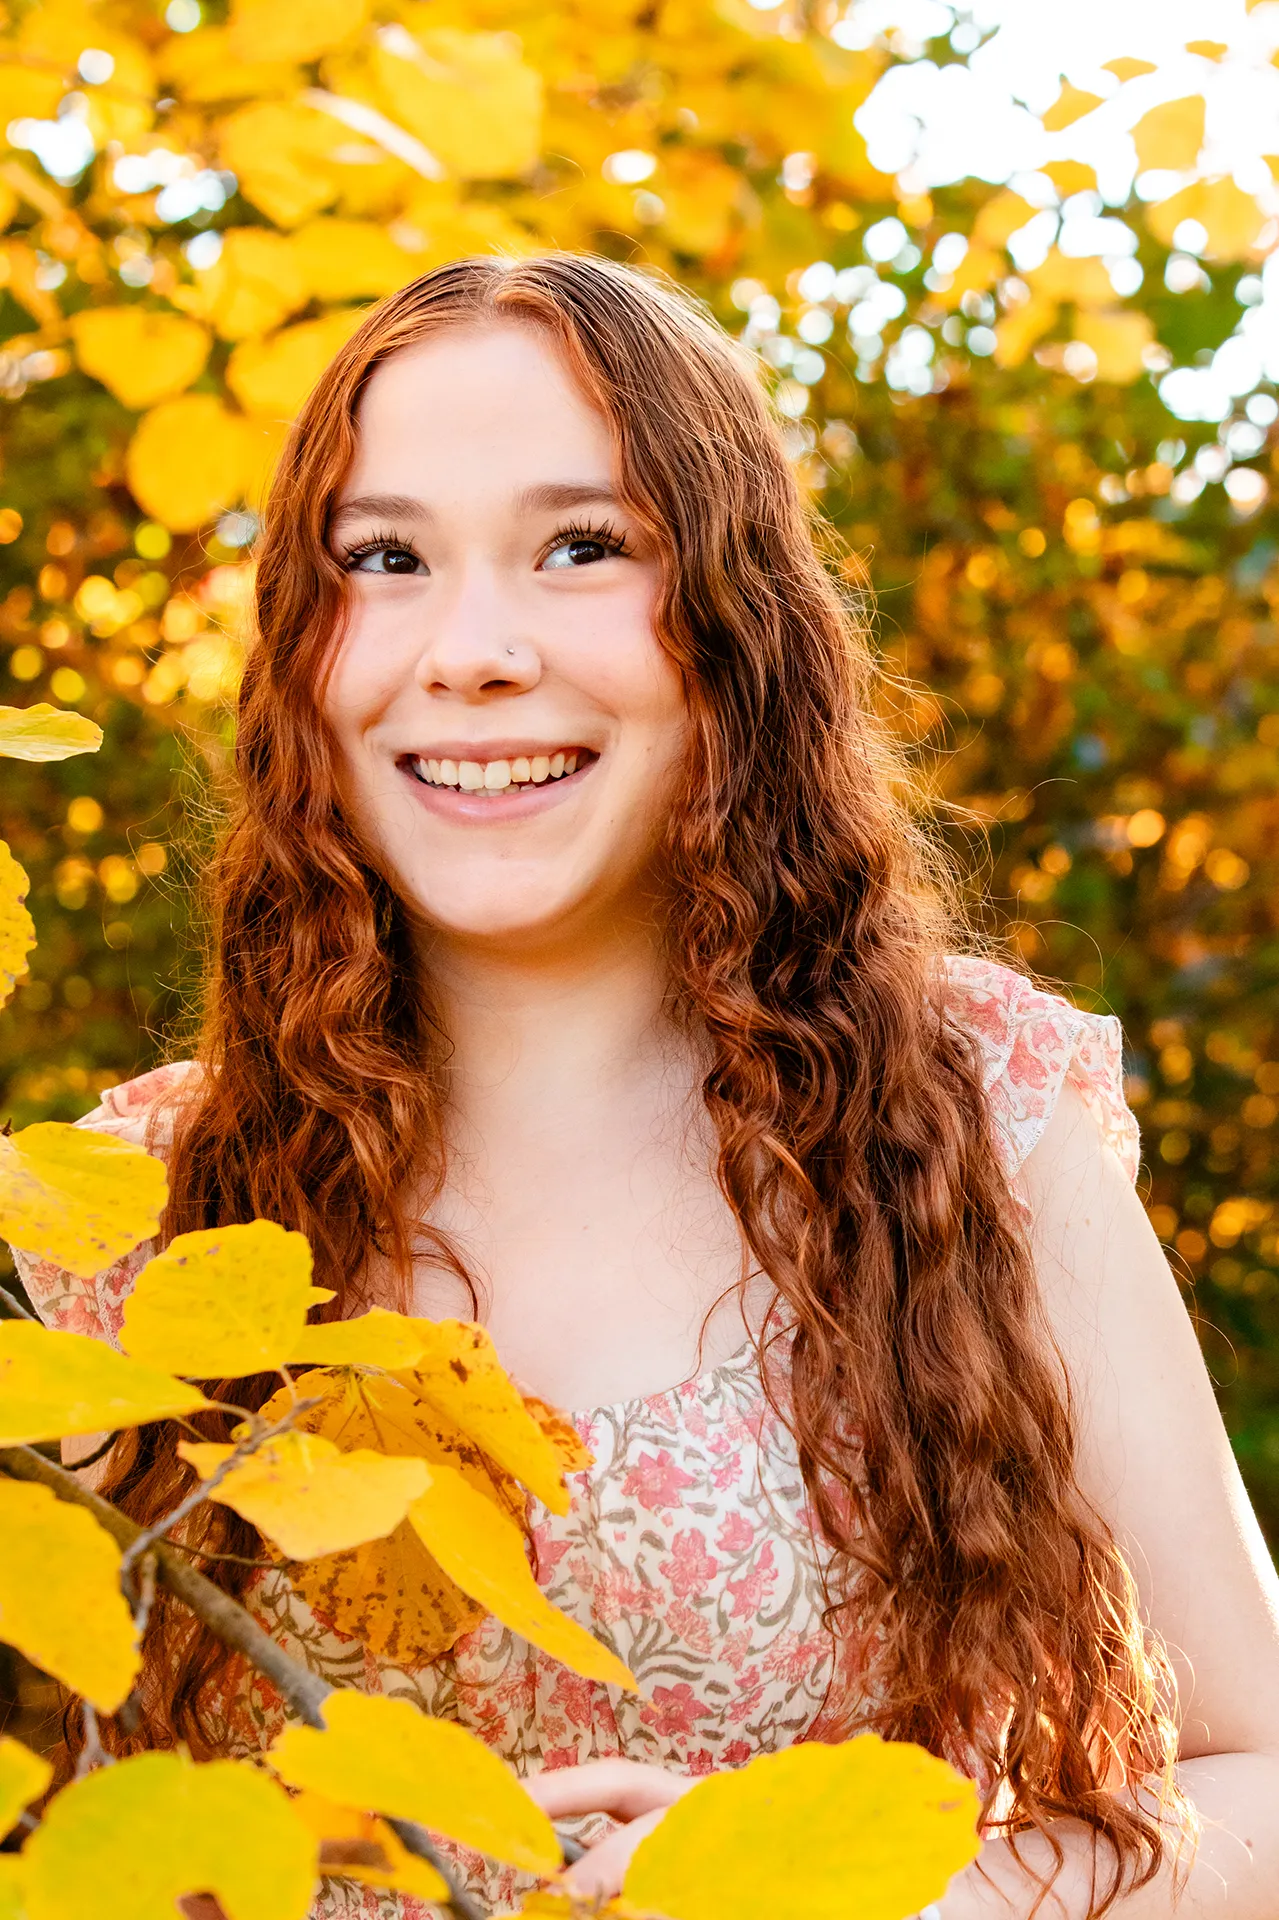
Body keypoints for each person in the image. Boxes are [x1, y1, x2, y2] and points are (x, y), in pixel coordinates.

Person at [13, 254, 1279, 1920]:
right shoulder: (125, 1217)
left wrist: (900, 1902)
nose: (469, 649)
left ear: (732, 625)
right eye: (383, 559)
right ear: (301, 650)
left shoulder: (976, 1122)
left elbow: (1256, 1781)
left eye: (581, 547)